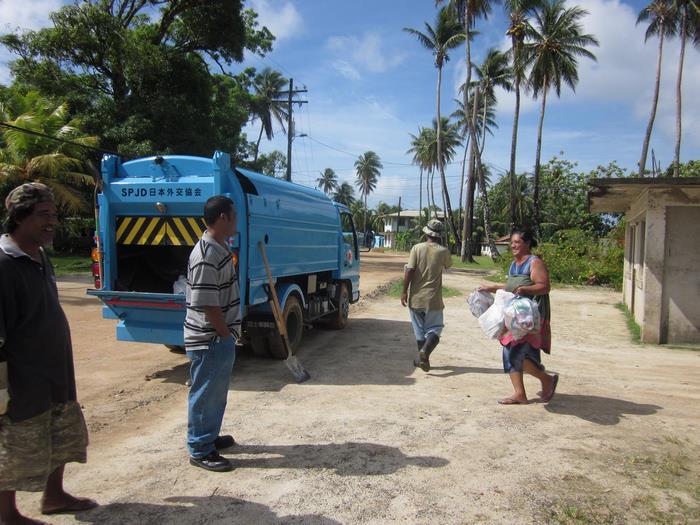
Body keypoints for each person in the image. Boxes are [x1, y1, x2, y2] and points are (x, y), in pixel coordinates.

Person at [0, 183, 98, 525]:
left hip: (55, 368)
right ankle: (7, 514)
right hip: (23, 375)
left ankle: (53, 496)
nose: (52, 222)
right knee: (16, 442)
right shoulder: (4, 264)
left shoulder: (41, 255)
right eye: (44, 215)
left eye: (54, 215)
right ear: (19, 217)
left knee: (63, 430)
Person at [184, 196, 242, 472]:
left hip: (217, 336)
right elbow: (207, 302)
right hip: (210, 338)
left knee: (215, 393)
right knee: (206, 392)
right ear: (222, 218)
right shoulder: (207, 254)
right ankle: (200, 448)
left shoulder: (219, 248)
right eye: (234, 215)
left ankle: (209, 435)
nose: (236, 221)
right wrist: (224, 333)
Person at [479, 228, 558, 405]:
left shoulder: (534, 262)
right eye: (512, 243)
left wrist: (525, 290)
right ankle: (528, 389)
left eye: (517, 242)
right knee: (516, 351)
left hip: (531, 318)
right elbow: (511, 286)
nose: (513, 246)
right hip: (515, 316)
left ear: (527, 243)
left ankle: (540, 382)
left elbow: (544, 286)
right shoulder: (514, 264)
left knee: (512, 350)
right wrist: (490, 287)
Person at [400, 219, 452, 371]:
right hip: (434, 299)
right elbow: (448, 265)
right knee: (435, 328)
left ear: (426, 233)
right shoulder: (443, 251)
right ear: (439, 235)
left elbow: (409, 270)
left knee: (419, 331)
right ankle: (424, 355)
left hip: (416, 298)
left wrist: (404, 291)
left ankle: (423, 357)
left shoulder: (417, 248)